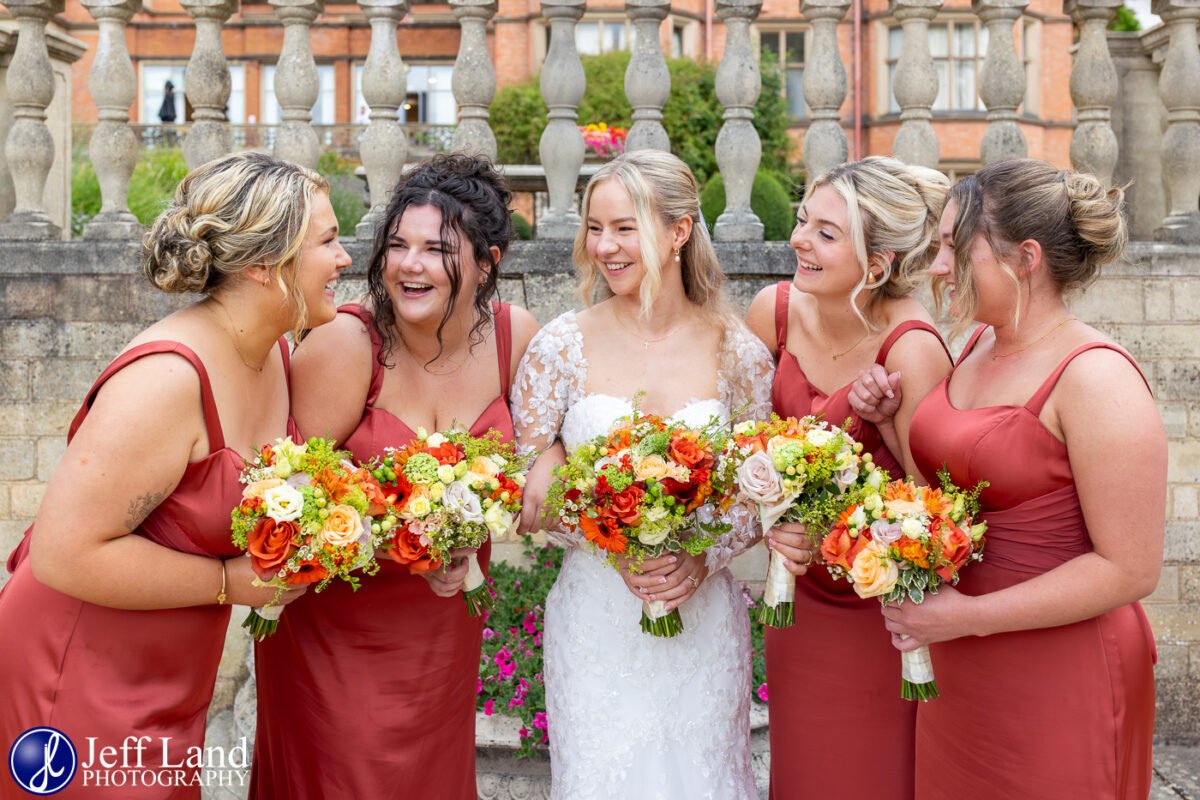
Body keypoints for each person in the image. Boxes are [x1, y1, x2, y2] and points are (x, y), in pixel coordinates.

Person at [0, 151, 348, 799]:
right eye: (328, 241)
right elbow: (60, 552)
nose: (345, 259)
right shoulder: (166, 380)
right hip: (76, 665)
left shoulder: (274, 348)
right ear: (263, 264)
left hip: (171, 669)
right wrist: (229, 581)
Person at [854, 159, 1163, 799]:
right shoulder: (974, 347)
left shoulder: (1095, 376)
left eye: (951, 247)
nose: (937, 267)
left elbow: (1130, 568)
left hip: (1059, 667)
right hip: (961, 658)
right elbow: (956, 501)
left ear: (1024, 257)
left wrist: (968, 616)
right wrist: (890, 428)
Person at [250, 154, 539, 799]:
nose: (409, 265)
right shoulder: (347, 347)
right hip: (338, 633)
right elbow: (290, 499)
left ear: (488, 262)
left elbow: (545, 455)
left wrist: (482, 518)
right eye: (397, 245)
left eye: (437, 250)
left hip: (443, 631)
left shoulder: (513, 338)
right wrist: (403, 536)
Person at [511, 149, 773, 799]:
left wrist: (703, 559)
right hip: (597, 619)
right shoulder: (561, 344)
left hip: (703, 619)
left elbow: (759, 484)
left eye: (624, 228)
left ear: (679, 231)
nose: (605, 246)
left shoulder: (734, 349)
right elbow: (530, 462)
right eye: (595, 229)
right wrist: (604, 534)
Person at [742, 156, 952, 800]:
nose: (799, 239)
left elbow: (936, 504)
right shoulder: (771, 312)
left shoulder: (913, 348)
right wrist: (769, 520)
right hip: (798, 603)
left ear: (879, 264)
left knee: (869, 774)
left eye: (826, 233)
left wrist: (885, 427)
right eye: (804, 220)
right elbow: (742, 455)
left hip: (880, 611)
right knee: (803, 771)